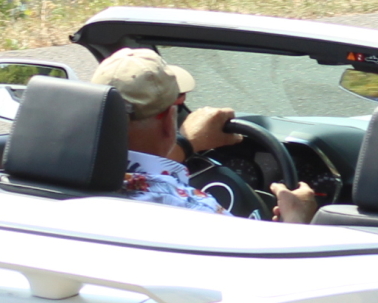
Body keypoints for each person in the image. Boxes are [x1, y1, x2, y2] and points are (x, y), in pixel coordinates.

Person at [89, 49, 320, 223]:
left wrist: (187, 144)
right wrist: (298, 219)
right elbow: (268, 274)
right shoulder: (193, 210)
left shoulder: (59, 174)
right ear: (170, 118)